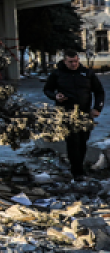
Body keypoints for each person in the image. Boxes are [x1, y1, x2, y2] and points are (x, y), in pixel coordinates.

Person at [44, 49, 105, 181]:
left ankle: (79, 167)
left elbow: (99, 92)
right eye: (70, 62)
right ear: (64, 61)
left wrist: (97, 108)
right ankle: (76, 172)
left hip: (85, 113)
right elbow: (47, 89)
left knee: (83, 141)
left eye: (76, 61)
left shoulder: (87, 74)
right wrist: (55, 96)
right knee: (73, 142)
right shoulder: (57, 74)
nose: (74, 64)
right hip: (66, 113)